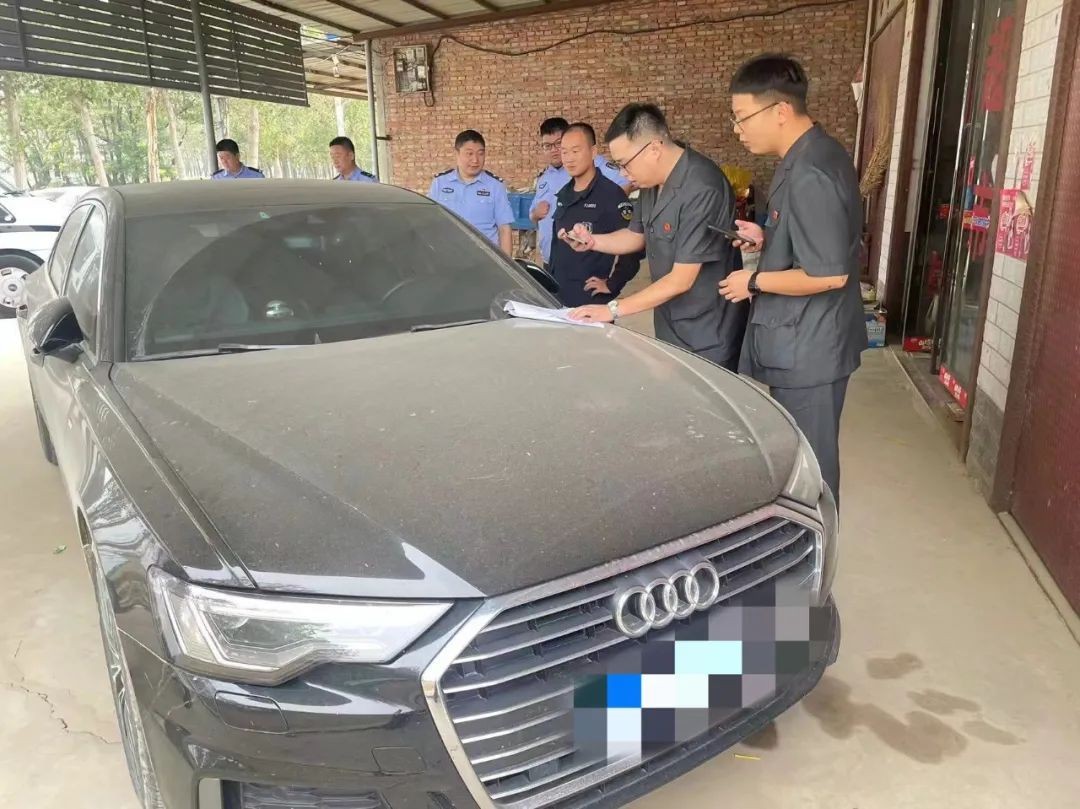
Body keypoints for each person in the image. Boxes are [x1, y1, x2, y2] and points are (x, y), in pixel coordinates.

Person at [718, 54, 867, 505]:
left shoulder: (810, 172)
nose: (737, 129)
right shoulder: (806, 155)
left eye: (742, 117)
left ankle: (817, 539)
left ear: (780, 110)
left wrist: (754, 282)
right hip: (805, 341)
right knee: (800, 456)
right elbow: (818, 238)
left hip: (811, 349)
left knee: (812, 466)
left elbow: (829, 274)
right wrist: (769, 238)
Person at [566, 103, 747, 371]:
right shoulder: (651, 183)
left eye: (624, 164)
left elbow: (681, 279)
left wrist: (612, 309)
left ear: (653, 149)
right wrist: (593, 242)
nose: (623, 173)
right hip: (669, 322)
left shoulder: (702, 187)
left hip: (708, 331)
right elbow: (635, 236)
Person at [548, 123, 642, 307]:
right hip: (558, 297)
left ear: (593, 152)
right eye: (564, 152)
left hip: (590, 300)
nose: (569, 158)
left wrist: (613, 284)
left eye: (575, 151)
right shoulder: (564, 195)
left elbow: (634, 247)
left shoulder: (611, 195)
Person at [529, 117, 629, 269]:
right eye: (547, 146)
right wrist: (536, 214)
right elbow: (533, 217)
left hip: (586, 261)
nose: (554, 150)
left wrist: (601, 208)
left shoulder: (587, 165)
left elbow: (626, 181)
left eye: (558, 144)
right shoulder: (544, 178)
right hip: (551, 261)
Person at [429, 130, 514, 254]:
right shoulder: (440, 183)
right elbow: (431, 224)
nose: (475, 160)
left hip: (485, 257)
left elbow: (504, 229)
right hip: (448, 256)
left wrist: (506, 263)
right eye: (469, 153)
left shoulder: (495, 186)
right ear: (457, 154)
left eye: (480, 154)